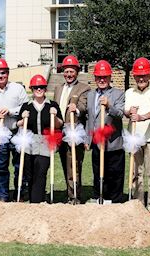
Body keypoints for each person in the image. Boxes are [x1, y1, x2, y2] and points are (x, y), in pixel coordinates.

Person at [124, 57, 150, 215]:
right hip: (134, 137)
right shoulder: (129, 92)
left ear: (149, 75)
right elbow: (126, 111)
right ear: (134, 76)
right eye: (138, 75)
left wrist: (142, 117)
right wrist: (129, 112)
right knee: (136, 173)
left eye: (144, 75)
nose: (141, 78)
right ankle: (138, 204)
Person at [0, 58, 28, 202]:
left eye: (3, 73)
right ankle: (2, 195)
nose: (0, 76)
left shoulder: (18, 88)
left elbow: (25, 108)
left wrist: (10, 111)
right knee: (1, 166)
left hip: (16, 131)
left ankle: (19, 194)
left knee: (19, 166)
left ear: (8, 73)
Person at [17, 74, 63, 203]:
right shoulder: (26, 106)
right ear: (32, 89)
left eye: (41, 87)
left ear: (45, 89)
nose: (39, 89)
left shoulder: (52, 105)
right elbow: (18, 124)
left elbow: (60, 124)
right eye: (36, 87)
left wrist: (54, 116)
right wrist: (22, 119)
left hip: (45, 142)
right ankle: (32, 200)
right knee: (29, 173)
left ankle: (37, 201)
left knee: (41, 171)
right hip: (29, 142)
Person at [85, 60, 125, 203]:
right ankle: (100, 199)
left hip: (113, 143)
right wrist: (87, 140)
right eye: (99, 77)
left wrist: (109, 106)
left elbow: (120, 113)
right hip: (97, 142)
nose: (102, 80)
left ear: (110, 77)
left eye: (105, 77)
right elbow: (89, 118)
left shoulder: (118, 94)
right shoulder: (90, 95)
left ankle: (116, 202)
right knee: (98, 173)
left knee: (114, 174)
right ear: (95, 78)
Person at [53, 55, 90, 203]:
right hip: (59, 131)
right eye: (66, 71)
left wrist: (77, 108)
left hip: (74, 130)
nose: (68, 74)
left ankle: (75, 196)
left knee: (74, 164)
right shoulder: (58, 88)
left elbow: (83, 106)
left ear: (77, 72)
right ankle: (69, 193)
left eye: (72, 71)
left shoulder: (84, 88)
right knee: (64, 163)